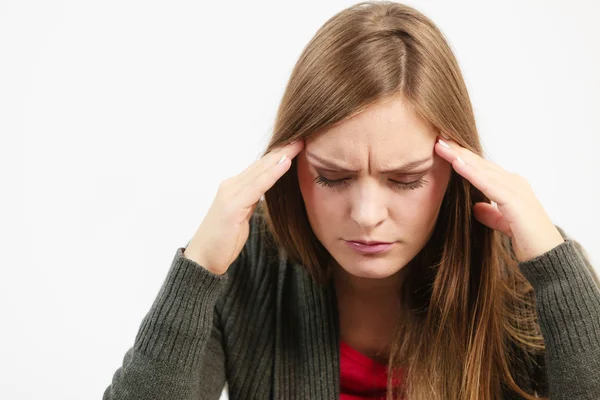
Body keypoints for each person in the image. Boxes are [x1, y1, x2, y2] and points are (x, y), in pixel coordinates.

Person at [102, 2, 600, 399]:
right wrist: (200, 268)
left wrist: (558, 270)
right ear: (289, 164)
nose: (365, 215)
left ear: (457, 168)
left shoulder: (523, 274)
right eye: (332, 177)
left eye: (406, 180)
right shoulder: (247, 263)